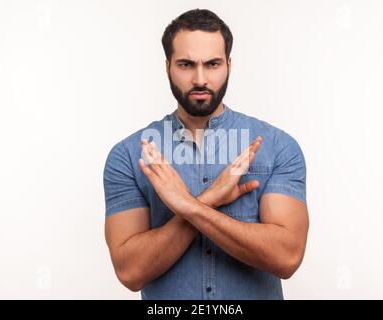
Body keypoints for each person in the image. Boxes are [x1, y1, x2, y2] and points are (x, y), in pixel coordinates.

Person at [103, 8, 309, 300]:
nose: (200, 79)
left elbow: (286, 258)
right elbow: (130, 272)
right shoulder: (129, 155)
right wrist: (213, 198)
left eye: (212, 64)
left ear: (228, 65)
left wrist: (189, 206)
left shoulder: (278, 146)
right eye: (186, 64)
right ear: (167, 67)